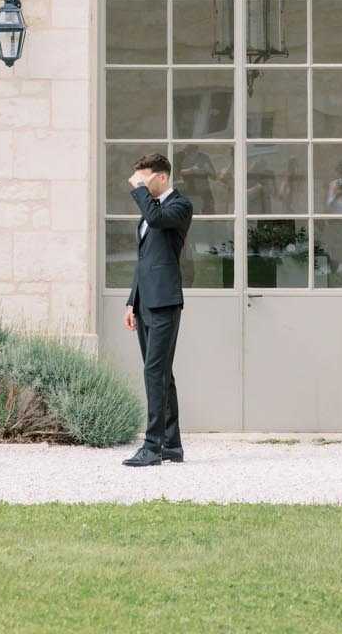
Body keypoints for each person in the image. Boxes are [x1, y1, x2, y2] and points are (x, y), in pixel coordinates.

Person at [121, 152, 193, 467]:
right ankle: (172, 445)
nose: (138, 183)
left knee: (154, 371)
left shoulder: (179, 206)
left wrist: (138, 189)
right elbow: (144, 260)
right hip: (145, 302)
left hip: (165, 302)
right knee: (162, 373)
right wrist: (130, 301)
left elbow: (156, 219)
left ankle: (152, 446)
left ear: (161, 177)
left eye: (144, 177)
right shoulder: (149, 210)